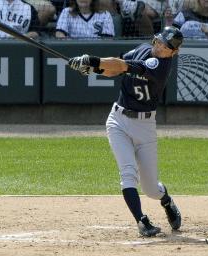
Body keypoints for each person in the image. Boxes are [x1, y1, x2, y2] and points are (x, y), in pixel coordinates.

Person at [67, 26, 183, 237]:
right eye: (158, 42)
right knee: (128, 173)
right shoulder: (141, 49)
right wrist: (95, 69)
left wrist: (92, 61)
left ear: (173, 53)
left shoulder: (160, 65)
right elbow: (116, 68)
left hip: (145, 127)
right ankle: (142, 221)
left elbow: (121, 65)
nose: (159, 47)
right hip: (118, 120)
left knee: (150, 189)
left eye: (165, 47)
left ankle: (165, 199)